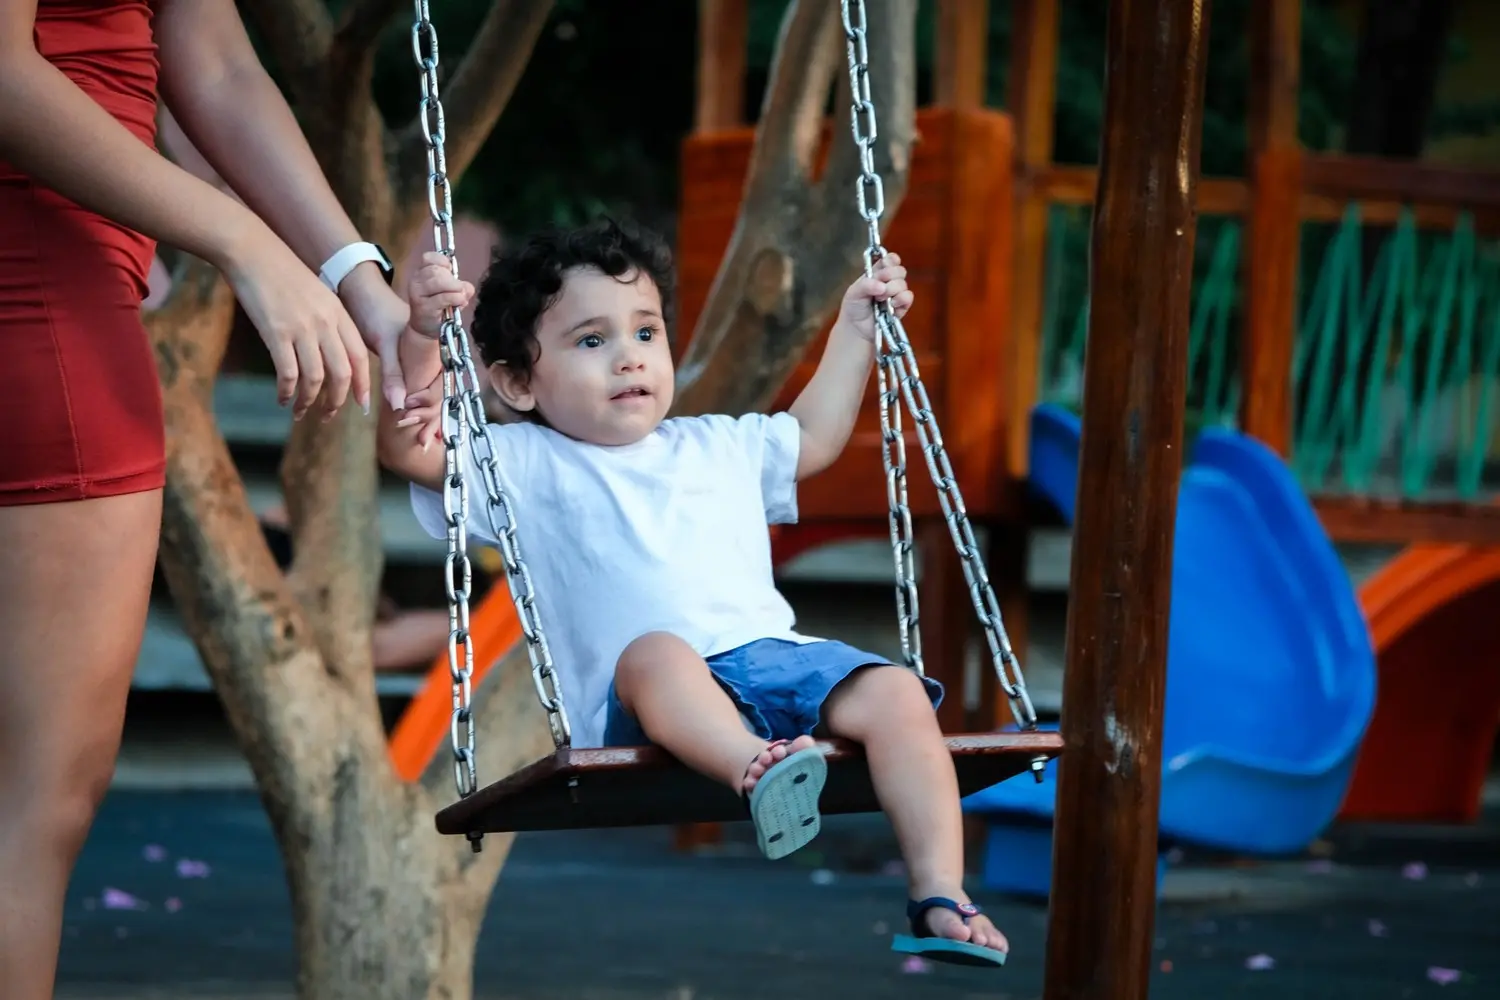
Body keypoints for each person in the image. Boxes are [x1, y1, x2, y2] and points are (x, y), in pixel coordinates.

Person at [378, 219, 1012, 966]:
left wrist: (855, 330)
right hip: (651, 701)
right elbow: (411, 446)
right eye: (591, 341)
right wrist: (422, 338)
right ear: (519, 381)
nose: (628, 358)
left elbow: (812, 435)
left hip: (775, 664)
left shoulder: (717, 445)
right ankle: (760, 769)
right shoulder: (521, 463)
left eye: (645, 333)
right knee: (656, 653)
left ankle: (940, 893)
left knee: (900, 693)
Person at [0, 3, 427, 995]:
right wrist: (246, 244)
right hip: (37, 298)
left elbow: (217, 61)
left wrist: (357, 278)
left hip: (55, 298)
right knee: (31, 803)